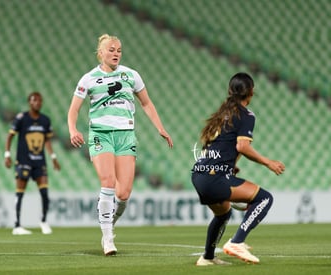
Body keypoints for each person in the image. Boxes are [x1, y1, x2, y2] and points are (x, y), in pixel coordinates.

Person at [67, 34, 173, 256]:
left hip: (125, 134)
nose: (116, 53)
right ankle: (107, 238)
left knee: (123, 193)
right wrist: (73, 129)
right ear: (101, 52)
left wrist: (160, 127)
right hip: (100, 134)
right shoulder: (89, 79)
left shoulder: (131, 75)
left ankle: (110, 222)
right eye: (111, 49)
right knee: (107, 181)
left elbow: (146, 103)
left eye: (119, 50)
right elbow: (74, 109)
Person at [191, 72, 285, 265]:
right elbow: (242, 146)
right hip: (215, 177)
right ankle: (237, 242)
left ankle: (207, 257)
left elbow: (217, 144)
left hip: (200, 174)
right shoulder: (246, 115)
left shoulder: (222, 114)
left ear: (230, 91)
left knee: (223, 213)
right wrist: (269, 162)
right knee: (264, 198)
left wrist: (230, 166)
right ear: (251, 92)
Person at [5, 92, 61, 235]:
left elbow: (47, 140)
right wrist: (7, 154)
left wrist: (53, 157)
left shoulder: (45, 120)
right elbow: (10, 135)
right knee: (20, 193)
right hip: (23, 160)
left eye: (40, 100)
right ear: (29, 102)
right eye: (34, 100)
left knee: (44, 193)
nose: (38, 103)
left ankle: (43, 221)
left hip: (39, 161)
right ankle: (17, 225)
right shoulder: (21, 118)